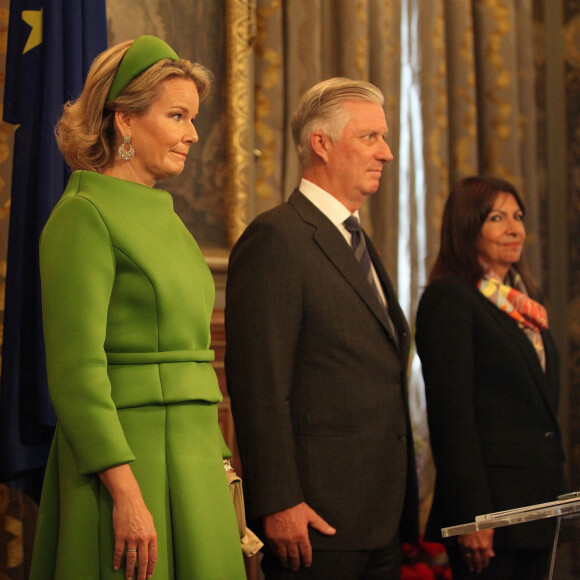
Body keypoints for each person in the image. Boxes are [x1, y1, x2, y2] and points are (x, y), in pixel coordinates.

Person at [29, 36, 246, 580]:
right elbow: (77, 374)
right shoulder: (82, 215)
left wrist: (221, 462)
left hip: (196, 461)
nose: (193, 134)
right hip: (127, 468)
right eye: (177, 116)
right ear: (124, 119)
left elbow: (195, 361)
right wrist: (125, 493)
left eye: (192, 118)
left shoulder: (166, 215)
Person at [225, 77, 419, 580]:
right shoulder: (277, 237)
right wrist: (279, 501)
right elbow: (260, 384)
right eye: (371, 137)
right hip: (315, 521)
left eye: (385, 137)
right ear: (321, 143)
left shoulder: (356, 239)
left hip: (378, 517)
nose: (388, 153)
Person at [415, 176, 567, 579]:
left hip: (536, 506)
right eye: (497, 218)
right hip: (492, 515)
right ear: (467, 226)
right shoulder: (451, 298)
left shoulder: (523, 303)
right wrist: (475, 517)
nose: (515, 228)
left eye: (517, 216)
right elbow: (452, 417)